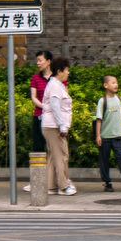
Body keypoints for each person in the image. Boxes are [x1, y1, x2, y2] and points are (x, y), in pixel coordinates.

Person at [41, 56, 75, 195]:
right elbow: (55, 107)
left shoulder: (57, 84)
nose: (68, 72)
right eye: (67, 70)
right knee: (62, 155)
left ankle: (51, 186)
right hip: (54, 126)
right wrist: (62, 126)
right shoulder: (55, 85)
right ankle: (63, 186)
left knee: (53, 156)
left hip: (51, 126)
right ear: (60, 71)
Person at [94, 75, 121, 193]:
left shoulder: (118, 99)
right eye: (113, 82)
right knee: (104, 161)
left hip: (117, 137)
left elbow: (119, 113)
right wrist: (98, 135)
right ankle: (107, 183)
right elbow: (99, 119)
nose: (116, 84)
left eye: (116, 82)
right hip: (105, 137)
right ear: (106, 85)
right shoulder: (102, 101)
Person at [29, 50, 53, 155]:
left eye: (40, 60)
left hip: (54, 117)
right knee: (38, 147)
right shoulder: (35, 78)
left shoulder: (58, 77)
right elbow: (33, 97)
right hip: (39, 116)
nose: (37, 63)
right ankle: (39, 172)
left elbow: (64, 96)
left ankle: (53, 171)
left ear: (48, 62)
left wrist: (52, 108)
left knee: (53, 147)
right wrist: (44, 106)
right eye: (37, 61)